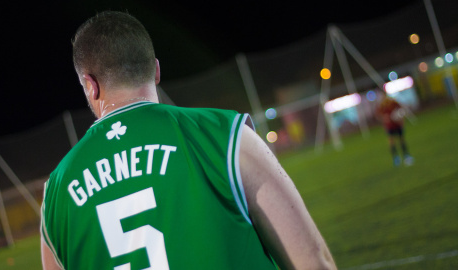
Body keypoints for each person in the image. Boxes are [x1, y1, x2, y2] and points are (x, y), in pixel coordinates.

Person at [41, 11, 336, 270]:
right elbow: (313, 261)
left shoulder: (55, 193)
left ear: (90, 86)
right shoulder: (224, 135)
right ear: (155, 70)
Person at [375, 93, 414, 167]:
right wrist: (384, 119)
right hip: (389, 126)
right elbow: (379, 115)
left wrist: (400, 117)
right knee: (391, 142)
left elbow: (401, 109)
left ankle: (406, 156)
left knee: (401, 140)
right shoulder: (382, 105)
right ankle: (396, 158)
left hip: (397, 124)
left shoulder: (393, 102)